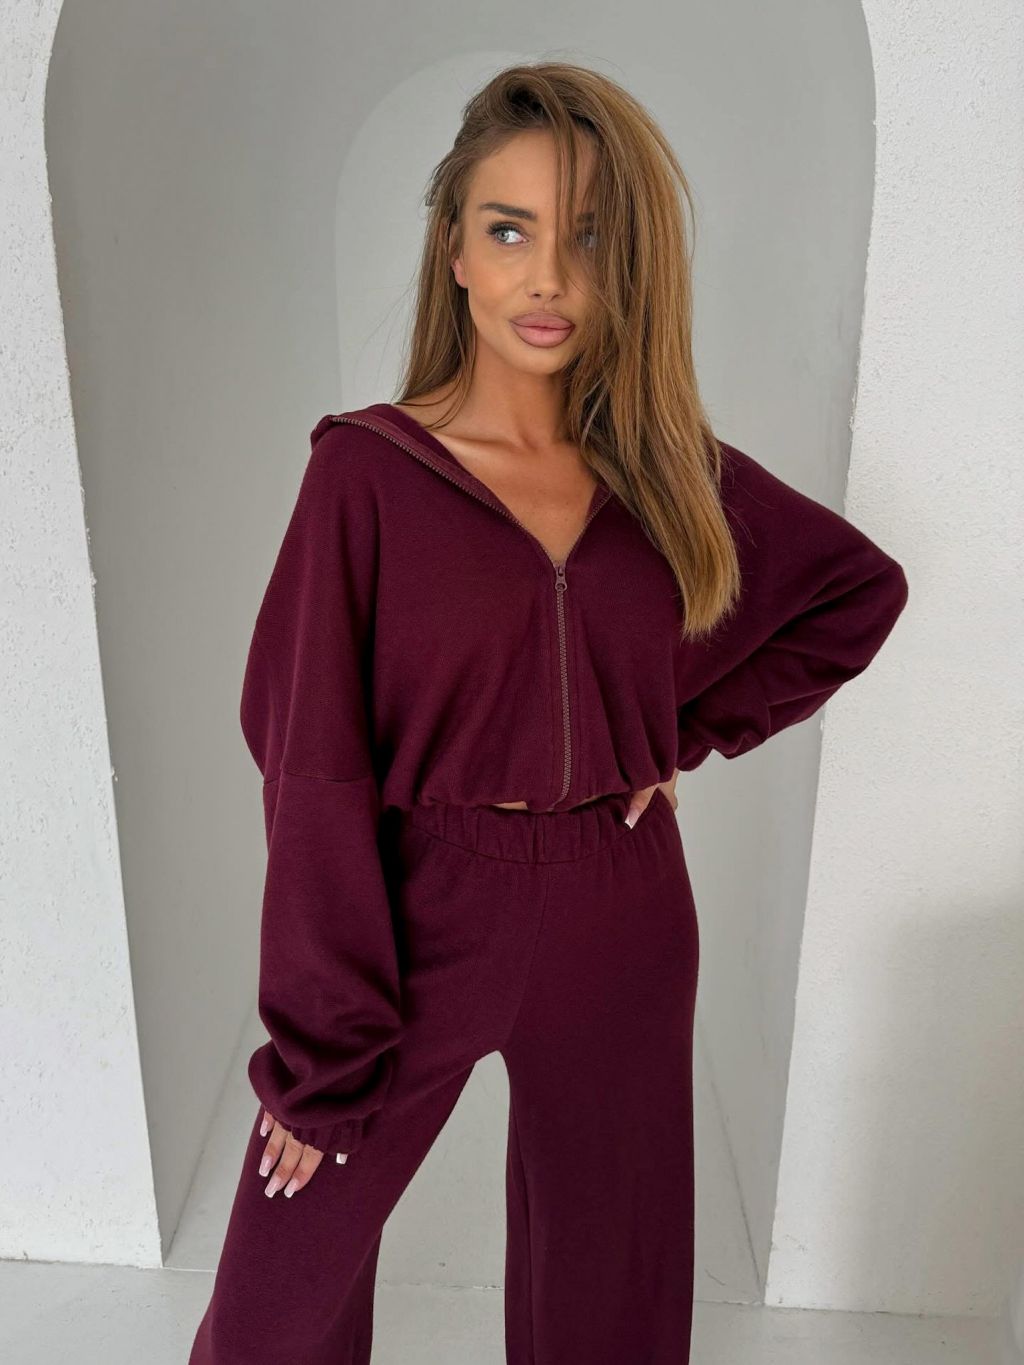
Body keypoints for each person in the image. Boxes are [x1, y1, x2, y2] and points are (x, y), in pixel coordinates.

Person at [188, 60, 908, 1365]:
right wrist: (320, 1050)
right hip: (425, 905)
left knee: (610, 1300)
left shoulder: (665, 471)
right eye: (511, 231)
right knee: (275, 1306)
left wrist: (671, 736)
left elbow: (854, 592)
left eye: (588, 238)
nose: (550, 278)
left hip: (622, 906)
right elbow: (308, 764)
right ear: (455, 250)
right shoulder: (367, 475)